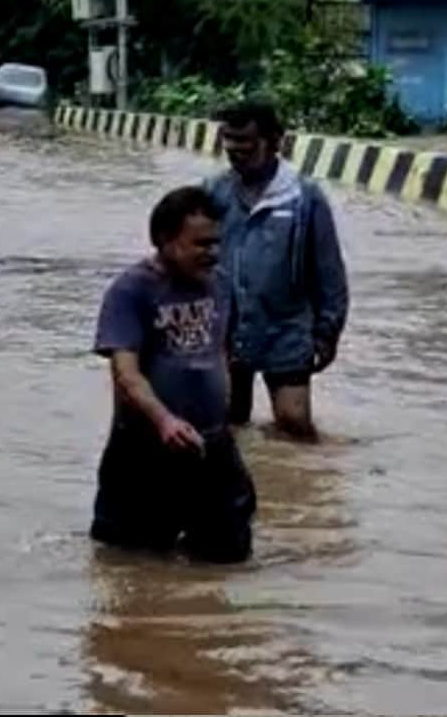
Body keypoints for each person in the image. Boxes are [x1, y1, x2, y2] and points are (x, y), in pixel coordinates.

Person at [90, 185, 255, 564]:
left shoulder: (221, 285)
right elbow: (126, 373)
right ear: (165, 240)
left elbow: (223, 352)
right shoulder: (131, 291)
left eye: (216, 243)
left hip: (211, 446)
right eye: (200, 244)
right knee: (131, 563)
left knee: (228, 556)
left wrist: (227, 418)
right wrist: (164, 420)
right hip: (145, 448)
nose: (212, 254)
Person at [205, 100, 349, 441]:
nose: (235, 151)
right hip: (226, 327)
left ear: (275, 142)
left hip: (285, 327)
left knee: (294, 422)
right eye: (229, 141)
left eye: (246, 142)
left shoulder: (304, 198)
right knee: (227, 423)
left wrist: (328, 331)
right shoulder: (214, 193)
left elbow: (329, 272)